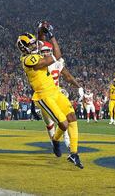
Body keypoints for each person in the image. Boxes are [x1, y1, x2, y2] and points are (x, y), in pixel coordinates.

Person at [17, 29, 83, 168]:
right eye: (31, 45)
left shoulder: (35, 53)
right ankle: (55, 140)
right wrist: (52, 36)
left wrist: (42, 29)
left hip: (55, 91)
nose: (35, 46)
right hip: (43, 95)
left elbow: (41, 40)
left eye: (34, 43)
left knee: (72, 117)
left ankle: (74, 153)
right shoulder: (28, 59)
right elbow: (57, 55)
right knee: (64, 124)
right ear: (24, 48)